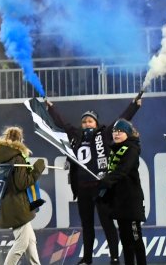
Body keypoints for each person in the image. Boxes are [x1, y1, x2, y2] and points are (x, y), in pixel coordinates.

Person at [46, 92, 144, 264]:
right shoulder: (76, 135)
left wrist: (134, 105)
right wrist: (51, 109)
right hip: (82, 188)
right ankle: (87, 258)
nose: (87, 124)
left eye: (90, 121)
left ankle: (114, 258)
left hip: (101, 187)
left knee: (107, 223)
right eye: (84, 121)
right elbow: (62, 123)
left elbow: (122, 119)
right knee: (87, 225)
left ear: (96, 123)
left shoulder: (104, 133)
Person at [97, 119, 145, 265]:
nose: (116, 134)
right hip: (119, 201)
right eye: (114, 131)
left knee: (136, 239)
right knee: (125, 240)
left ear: (128, 133)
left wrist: (107, 180)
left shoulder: (132, 148)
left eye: (120, 131)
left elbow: (123, 170)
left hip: (131, 202)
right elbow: (113, 173)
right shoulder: (115, 149)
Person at [0, 126, 46, 265]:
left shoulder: (3, 156)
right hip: (18, 206)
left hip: (10, 204)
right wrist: (37, 169)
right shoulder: (17, 158)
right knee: (21, 244)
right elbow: (21, 184)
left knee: (30, 241)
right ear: (20, 140)